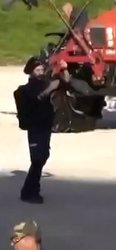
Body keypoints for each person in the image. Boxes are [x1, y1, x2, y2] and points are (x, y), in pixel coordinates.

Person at [14, 59, 66, 203]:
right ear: (31, 72)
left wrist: (64, 70)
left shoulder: (43, 84)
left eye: (42, 70)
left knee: (42, 157)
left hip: (44, 127)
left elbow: (65, 82)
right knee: (37, 159)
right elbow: (38, 98)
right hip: (35, 127)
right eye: (37, 70)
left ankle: (32, 190)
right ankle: (28, 192)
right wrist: (51, 88)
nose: (41, 73)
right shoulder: (27, 89)